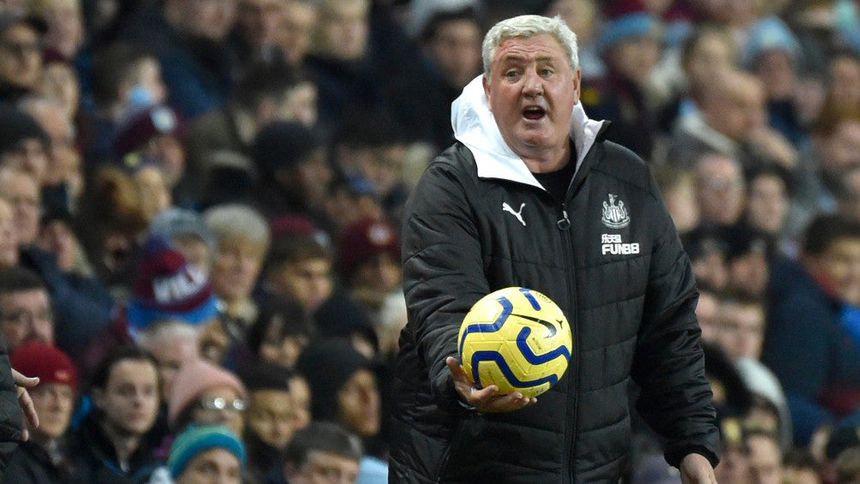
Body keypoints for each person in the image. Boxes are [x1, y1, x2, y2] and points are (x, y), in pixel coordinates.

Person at [390, 14, 719, 483]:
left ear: (576, 85)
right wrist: (462, 378)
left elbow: (670, 329)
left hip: (599, 471)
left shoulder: (626, 180)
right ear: (488, 91)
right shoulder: (452, 187)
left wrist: (694, 445)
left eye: (547, 70)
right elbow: (442, 305)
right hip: (470, 468)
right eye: (512, 73)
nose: (532, 85)